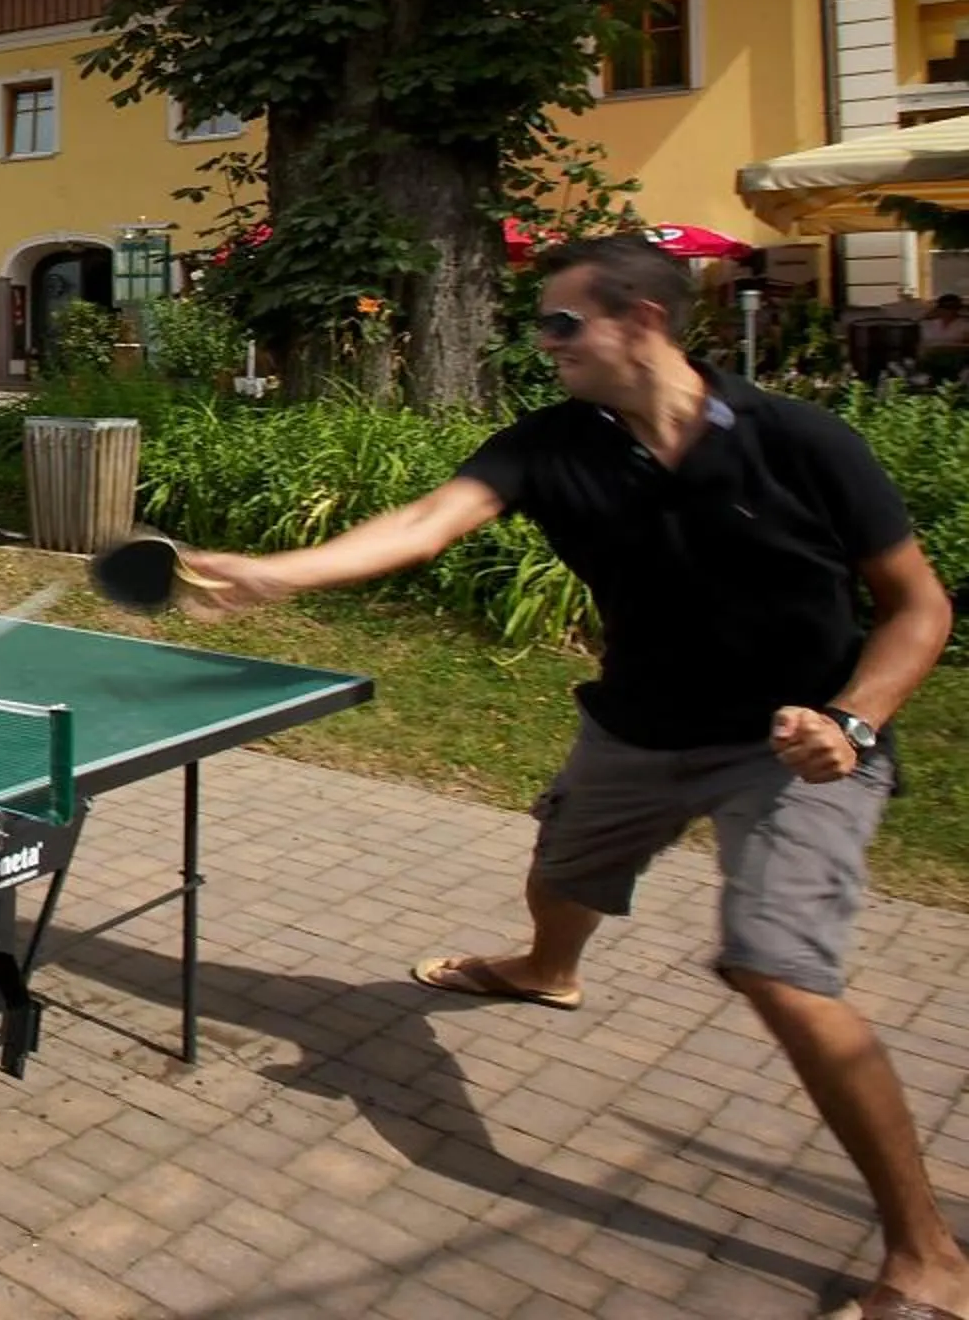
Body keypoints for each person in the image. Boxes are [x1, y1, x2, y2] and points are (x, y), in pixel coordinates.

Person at [181, 232, 969, 1320]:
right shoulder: (553, 444)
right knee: (559, 872)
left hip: (792, 744)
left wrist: (854, 716)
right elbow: (425, 522)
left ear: (640, 320)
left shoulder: (800, 439)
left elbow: (919, 605)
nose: (542, 342)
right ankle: (548, 969)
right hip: (637, 726)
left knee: (779, 967)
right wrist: (274, 573)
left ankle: (928, 1255)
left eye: (560, 323)